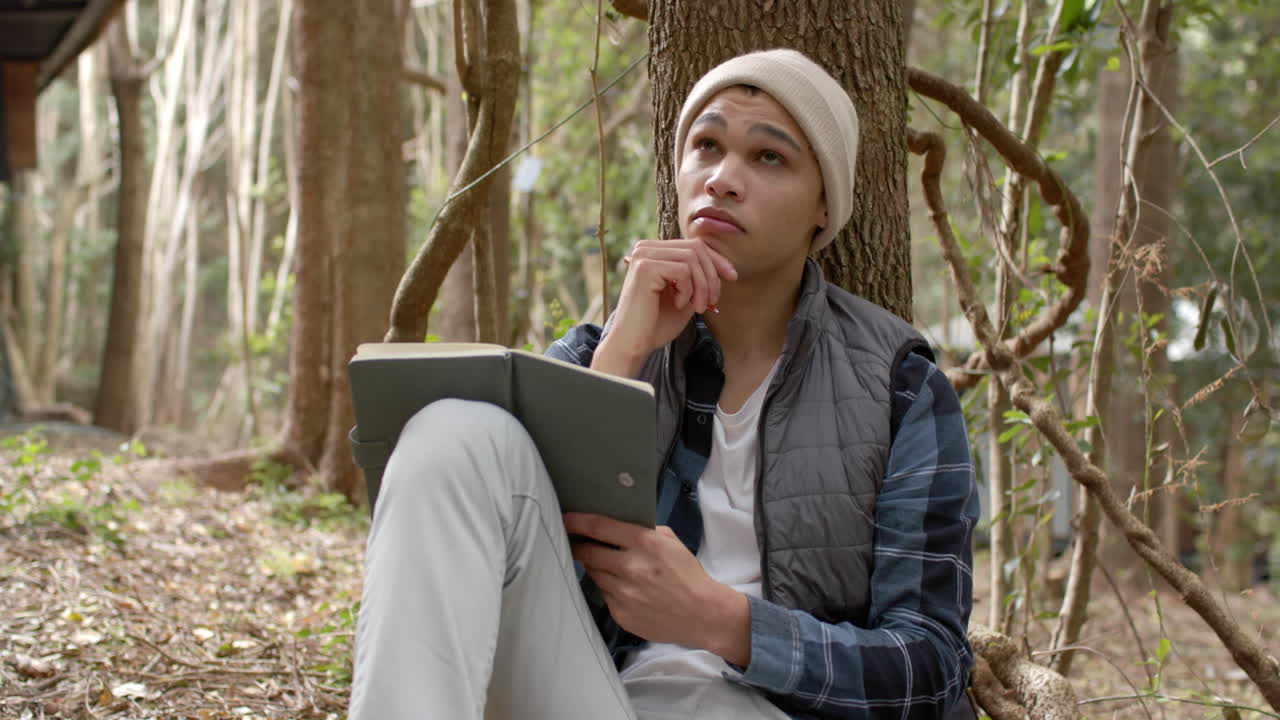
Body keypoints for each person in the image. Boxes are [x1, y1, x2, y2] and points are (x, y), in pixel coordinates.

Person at [349, 48, 980, 720]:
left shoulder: (899, 387)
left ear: (825, 203)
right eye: (705, 146)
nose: (722, 180)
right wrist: (620, 356)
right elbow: (500, 560)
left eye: (769, 157)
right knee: (455, 431)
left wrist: (723, 620)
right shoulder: (600, 354)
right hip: (596, 701)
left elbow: (931, 668)